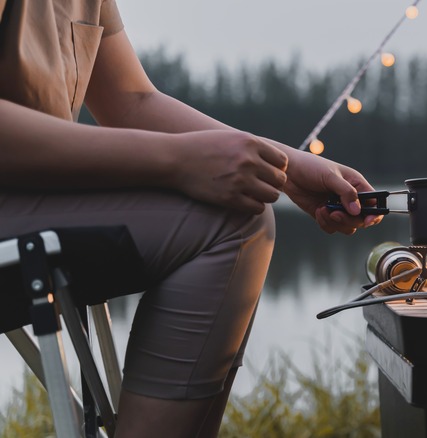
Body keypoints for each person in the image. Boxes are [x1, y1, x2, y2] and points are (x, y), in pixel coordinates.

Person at [0, 0, 380, 436]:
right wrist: (177, 160)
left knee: (239, 211)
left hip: (33, 205)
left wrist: (289, 168)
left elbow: (131, 101)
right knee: (228, 226)